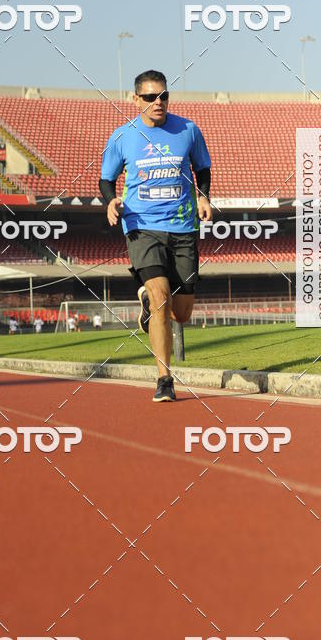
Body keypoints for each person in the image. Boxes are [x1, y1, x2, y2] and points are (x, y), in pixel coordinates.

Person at [100, 69, 212, 402]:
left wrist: (203, 195)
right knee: (162, 296)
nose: (157, 102)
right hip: (141, 227)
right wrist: (110, 202)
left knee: (182, 313)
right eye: (150, 97)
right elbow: (106, 180)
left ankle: (147, 302)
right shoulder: (123, 137)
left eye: (163, 95)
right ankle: (165, 379)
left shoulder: (188, 130)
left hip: (183, 227)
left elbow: (202, 168)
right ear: (136, 100)